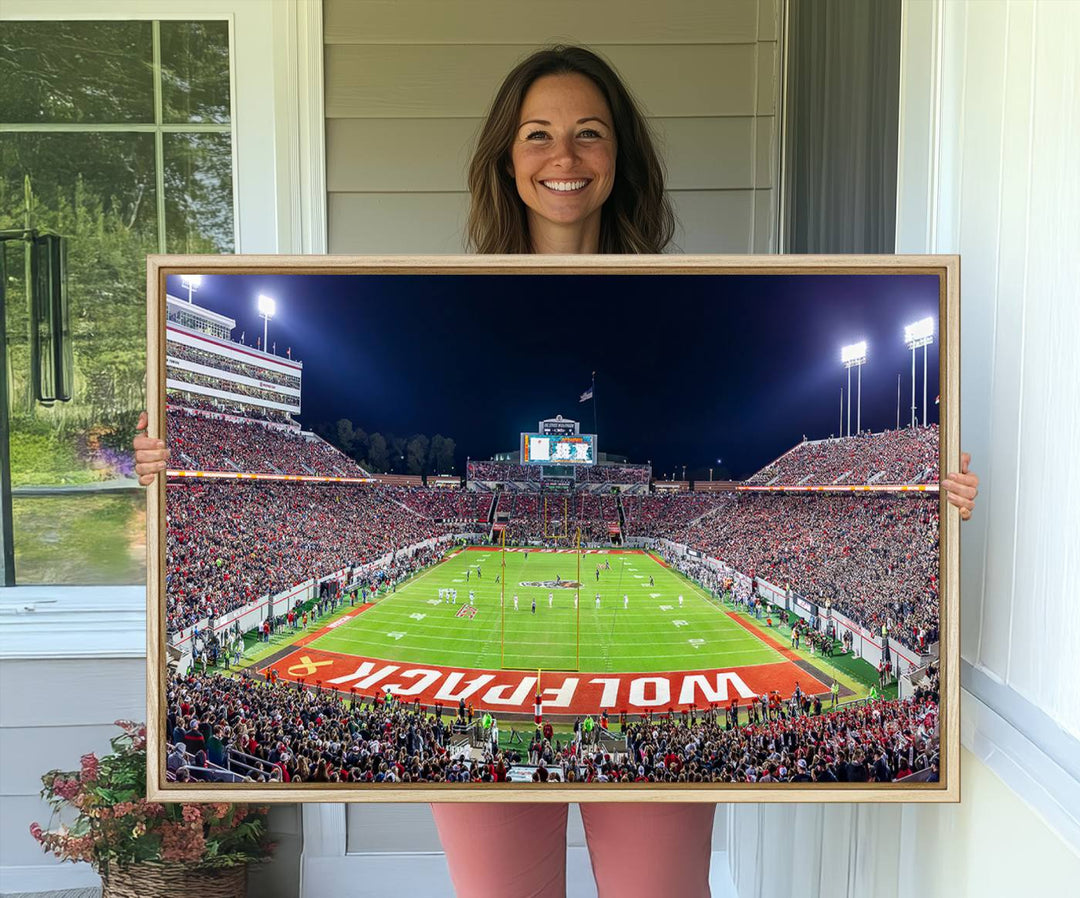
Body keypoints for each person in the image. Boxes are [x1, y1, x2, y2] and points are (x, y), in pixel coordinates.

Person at [134, 42, 981, 898]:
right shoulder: (450, 286)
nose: (563, 156)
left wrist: (931, 502)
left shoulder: (676, 289)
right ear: (506, 157)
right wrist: (171, 465)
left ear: (621, 157)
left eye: (589, 133)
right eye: (537, 134)